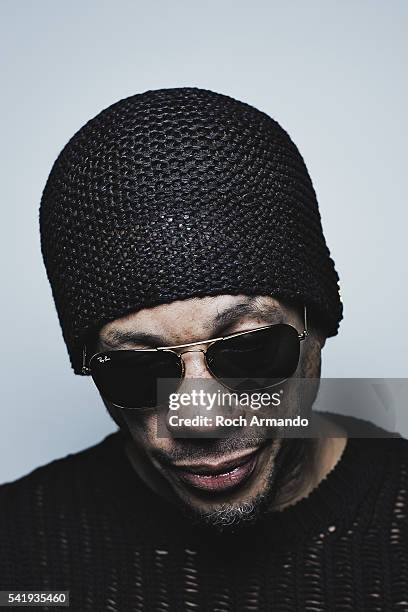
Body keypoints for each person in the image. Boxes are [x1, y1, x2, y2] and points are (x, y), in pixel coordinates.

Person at [1, 88, 407, 611]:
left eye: (249, 351)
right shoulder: (18, 556)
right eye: (137, 370)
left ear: (318, 324)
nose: (199, 418)